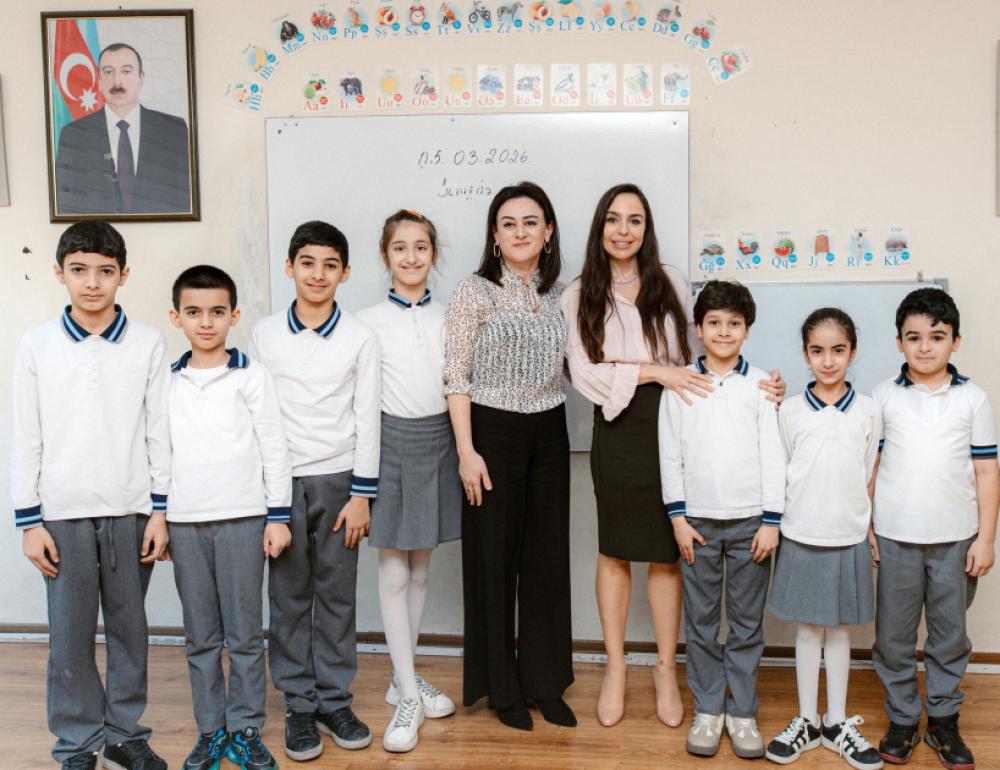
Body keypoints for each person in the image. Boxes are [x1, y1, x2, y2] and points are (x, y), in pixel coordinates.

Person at [562, 184, 785, 729]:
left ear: (647, 228)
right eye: (614, 219)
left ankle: (666, 668)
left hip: (682, 419)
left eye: (635, 220)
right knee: (614, 550)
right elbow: (583, 372)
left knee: (668, 552)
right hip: (620, 426)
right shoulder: (578, 293)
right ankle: (617, 668)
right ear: (599, 226)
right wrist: (653, 370)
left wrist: (760, 386)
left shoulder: (672, 281)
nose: (624, 230)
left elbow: (708, 349)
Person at [11, 221, 170, 770]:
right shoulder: (37, 345)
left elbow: (159, 431)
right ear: (60, 274)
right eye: (79, 270)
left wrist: (160, 511)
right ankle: (77, 743)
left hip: (131, 511)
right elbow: (26, 435)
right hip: (61, 515)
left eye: (105, 271)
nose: (93, 283)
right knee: (70, 637)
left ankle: (125, 734)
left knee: (130, 631)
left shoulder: (147, 343)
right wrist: (29, 523)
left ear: (124, 275)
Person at [444, 181, 575, 732]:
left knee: (546, 561)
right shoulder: (473, 291)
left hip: (550, 432)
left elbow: (588, 363)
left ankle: (546, 683)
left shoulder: (563, 295)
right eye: (508, 223)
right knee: (493, 563)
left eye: (530, 222)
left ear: (548, 232)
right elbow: (456, 376)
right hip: (490, 434)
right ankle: (503, 689)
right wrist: (466, 452)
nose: (520, 232)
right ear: (494, 236)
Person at [248, 221, 380, 761]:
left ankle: (334, 700)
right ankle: (298, 704)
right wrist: (270, 500)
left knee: (337, 597)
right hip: (282, 483)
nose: (318, 274)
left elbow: (367, 416)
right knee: (288, 598)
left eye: (330, 265)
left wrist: (362, 496)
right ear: (290, 267)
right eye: (307, 263)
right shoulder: (264, 335)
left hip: (340, 482)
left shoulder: (359, 337)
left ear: (345, 273)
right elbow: (257, 416)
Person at [166, 265, 293, 770]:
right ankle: (210, 731)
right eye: (194, 312)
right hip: (185, 523)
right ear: (176, 317)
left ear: (233, 316)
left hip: (243, 519)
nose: (206, 322)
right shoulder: (167, 381)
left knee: (244, 634)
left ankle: (245, 729)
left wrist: (277, 517)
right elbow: (158, 451)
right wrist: (159, 515)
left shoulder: (251, 376)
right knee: (200, 636)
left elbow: (274, 447)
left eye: (217, 312)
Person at [870, 288, 998, 769]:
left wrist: (986, 538)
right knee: (894, 638)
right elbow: (871, 468)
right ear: (899, 342)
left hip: (957, 540)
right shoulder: (883, 396)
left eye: (937, 337)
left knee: (949, 637)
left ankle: (943, 719)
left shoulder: (973, 399)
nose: (925, 347)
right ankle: (903, 718)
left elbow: (987, 472)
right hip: (895, 537)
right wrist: (868, 528)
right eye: (914, 337)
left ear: (955, 341)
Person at [658, 279, 785, 760]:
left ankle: (743, 712)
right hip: (698, 526)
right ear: (699, 328)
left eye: (734, 323)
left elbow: (773, 456)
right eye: (714, 323)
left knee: (747, 625)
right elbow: (670, 454)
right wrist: (678, 518)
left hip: (752, 524)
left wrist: (771, 521)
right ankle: (709, 709)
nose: (724, 331)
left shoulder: (761, 387)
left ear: (747, 330)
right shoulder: (681, 384)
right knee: (703, 623)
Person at [357, 210, 461, 753]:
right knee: (394, 571)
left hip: (439, 441)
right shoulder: (366, 322)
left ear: (433, 255)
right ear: (385, 255)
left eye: (421, 247)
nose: (411, 257)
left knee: (421, 569)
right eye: (400, 248)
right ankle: (407, 696)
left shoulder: (450, 316)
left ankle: (404, 678)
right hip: (390, 445)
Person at [764, 308, 883, 770]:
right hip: (801, 533)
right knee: (808, 629)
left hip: (848, 535)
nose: (828, 360)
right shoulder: (790, 411)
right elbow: (782, 471)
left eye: (838, 350)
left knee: (839, 629)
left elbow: (868, 474)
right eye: (818, 351)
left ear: (853, 352)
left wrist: (866, 528)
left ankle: (836, 723)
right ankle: (807, 720)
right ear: (805, 354)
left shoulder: (869, 410)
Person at [54, 42, 191, 216]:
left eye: (126, 71)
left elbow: (185, 199)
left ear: (141, 77)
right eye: (108, 72)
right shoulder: (74, 134)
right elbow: (65, 203)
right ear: (99, 80)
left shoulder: (174, 130)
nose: (117, 81)